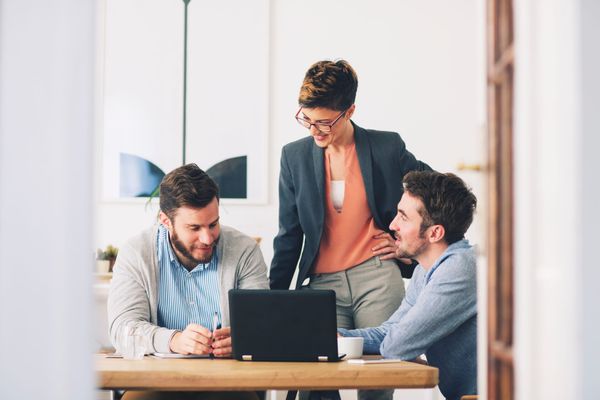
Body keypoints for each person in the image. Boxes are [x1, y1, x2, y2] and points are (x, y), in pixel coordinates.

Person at [271, 58, 431, 330]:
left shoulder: (386, 147)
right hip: (322, 285)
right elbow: (289, 234)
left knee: (382, 364)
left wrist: (407, 248)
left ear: (349, 111)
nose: (313, 131)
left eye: (323, 123)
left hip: (377, 277)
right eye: (306, 119)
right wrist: (272, 301)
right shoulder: (293, 157)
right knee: (324, 367)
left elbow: (437, 192)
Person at [108, 163, 268, 400]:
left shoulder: (244, 250)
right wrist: (174, 340)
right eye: (194, 227)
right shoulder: (136, 253)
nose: (207, 238)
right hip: (154, 381)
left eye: (213, 224)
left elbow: (264, 326)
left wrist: (244, 340)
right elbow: (123, 329)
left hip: (230, 382)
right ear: (166, 220)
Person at [339, 171, 478, 400]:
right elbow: (390, 332)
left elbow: (397, 345)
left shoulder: (460, 269)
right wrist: (336, 336)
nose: (392, 224)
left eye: (403, 217)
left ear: (434, 233)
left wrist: (400, 344)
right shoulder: (424, 270)